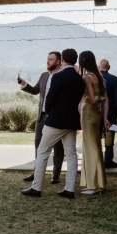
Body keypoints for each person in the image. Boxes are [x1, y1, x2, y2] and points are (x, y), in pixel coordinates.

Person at [22, 48, 85, 199]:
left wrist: (49, 111)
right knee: (71, 155)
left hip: (56, 120)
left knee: (43, 151)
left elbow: (49, 99)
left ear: (62, 60)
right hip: (71, 121)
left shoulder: (58, 77)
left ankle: (36, 187)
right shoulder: (80, 79)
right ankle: (69, 189)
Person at [18, 51, 64, 184]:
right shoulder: (44, 75)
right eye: (47, 59)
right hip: (42, 116)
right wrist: (23, 84)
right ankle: (37, 172)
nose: (47, 61)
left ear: (58, 61)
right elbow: (35, 90)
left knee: (58, 147)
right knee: (38, 146)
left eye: (50, 59)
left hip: (55, 117)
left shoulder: (62, 76)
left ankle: (56, 175)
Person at [79, 51, 108, 195]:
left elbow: (91, 98)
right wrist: (104, 116)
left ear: (83, 60)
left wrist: (97, 108)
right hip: (96, 115)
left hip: (88, 111)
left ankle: (94, 185)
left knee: (90, 146)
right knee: (95, 144)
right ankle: (97, 182)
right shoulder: (99, 76)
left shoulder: (86, 77)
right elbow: (106, 99)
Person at [99, 59, 117, 168]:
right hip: (111, 112)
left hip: (97, 112)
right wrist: (116, 112)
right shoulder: (115, 79)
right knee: (110, 136)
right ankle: (108, 160)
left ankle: (97, 159)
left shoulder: (95, 78)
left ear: (99, 67)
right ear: (109, 67)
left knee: (97, 136)